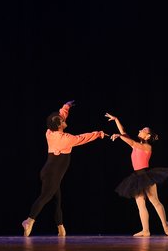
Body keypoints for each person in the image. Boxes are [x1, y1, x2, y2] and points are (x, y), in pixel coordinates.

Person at [21, 101, 106, 237]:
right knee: (45, 197)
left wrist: (66, 107)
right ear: (59, 125)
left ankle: (60, 228)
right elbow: (82, 138)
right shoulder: (65, 139)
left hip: (49, 172)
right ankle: (29, 220)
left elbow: (59, 117)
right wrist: (98, 134)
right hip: (52, 174)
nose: (64, 120)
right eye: (62, 121)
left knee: (57, 200)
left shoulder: (49, 132)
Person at [105, 112, 168, 236]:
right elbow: (124, 132)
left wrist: (119, 136)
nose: (140, 130)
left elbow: (131, 142)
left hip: (146, 176)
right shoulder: (136, 146)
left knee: (154, 201)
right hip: (136, 177)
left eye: (143, 130)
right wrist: (116, 119)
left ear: (148, 136)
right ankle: (145, 230)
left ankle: (165, 224)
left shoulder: (147, 147)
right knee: (140, 204)